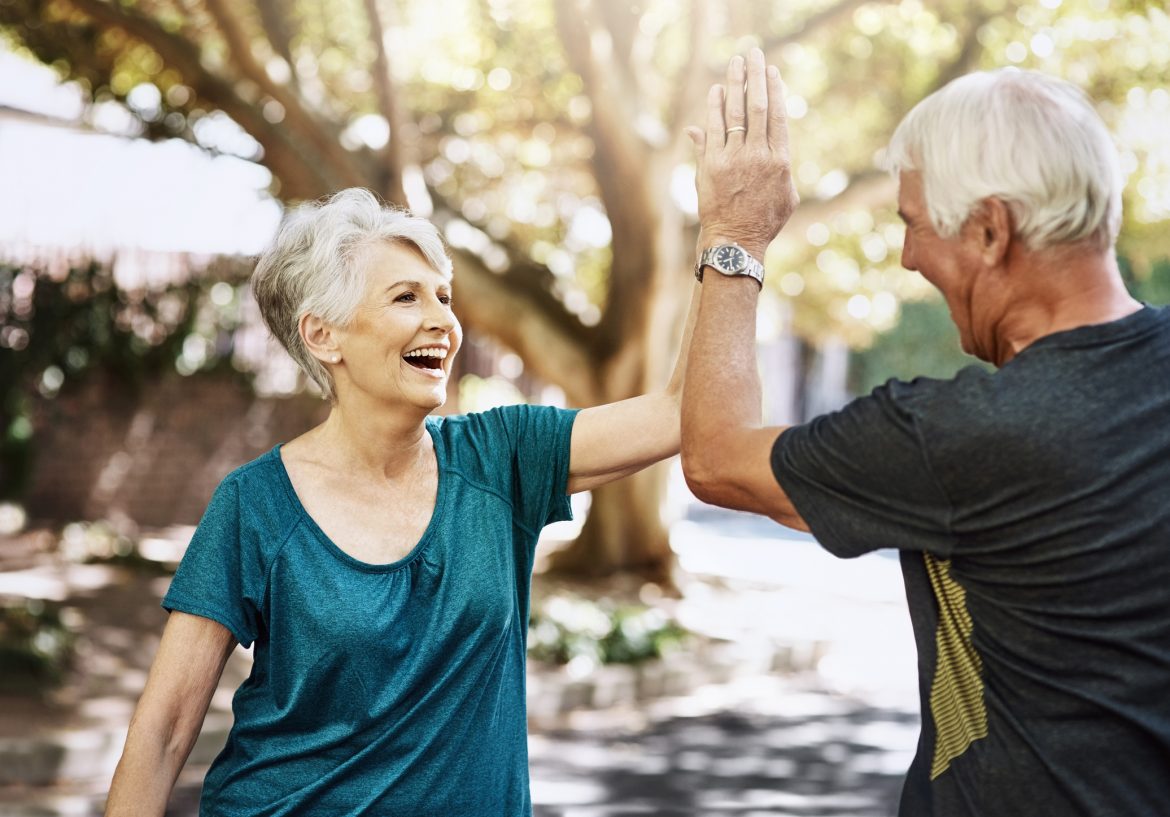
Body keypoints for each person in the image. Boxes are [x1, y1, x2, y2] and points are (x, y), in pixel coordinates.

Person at [681, 50, 1170, 816]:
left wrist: (734, 234)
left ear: (988, 231)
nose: (908, 256)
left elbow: (715, 458)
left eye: (913, 225)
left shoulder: (961, 437)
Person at [106, 187, 699, 816]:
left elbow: (683, 411)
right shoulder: (255, 505)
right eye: (406, 297)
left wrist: (732, 238)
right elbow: (166, 727)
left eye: (444, 296)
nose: (444, 320)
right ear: (323, 335)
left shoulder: (502, 459)